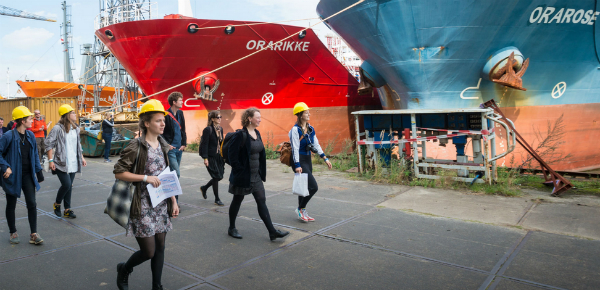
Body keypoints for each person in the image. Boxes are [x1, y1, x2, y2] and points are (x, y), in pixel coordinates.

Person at [113, 99, 180, 290]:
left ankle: (157, 286)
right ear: (146, 123)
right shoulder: (136, 146)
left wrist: (174, 201)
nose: (162, 124)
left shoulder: (162, 144)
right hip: (141, 205)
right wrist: (145, 178)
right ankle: (124, 269)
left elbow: (166, 175)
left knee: (161, 247)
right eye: (158, 120)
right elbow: (118, 172)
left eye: (163, 121)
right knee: (149, 251)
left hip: (161, 203)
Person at [227, 107, 289, 241]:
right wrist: (239, 170)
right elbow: (232, 156)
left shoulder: (257, 133)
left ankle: (272, 232)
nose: (260, 119)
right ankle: (231, 228)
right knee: (237, 200)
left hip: (256, 176)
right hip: (243, 176)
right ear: (249, 118)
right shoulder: (240, 135)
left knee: (261, 201)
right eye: (258, 117)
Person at [0, 106, 44, 245]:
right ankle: (13, 232)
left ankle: (34, 234)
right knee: (11, 204)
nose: (32, 120)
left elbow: (35, 155)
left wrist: (39, 171)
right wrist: (5, 166)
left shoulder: (30, 135)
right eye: (30, 118)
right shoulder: (8, 136)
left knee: (32, 203)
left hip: (27, 175)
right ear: (22, 121)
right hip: (12, 176)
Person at [289, 102, 332, 222]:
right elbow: (295, 149)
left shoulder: (310, 128)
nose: (309, 114)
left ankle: (302, 211)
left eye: (308, 112)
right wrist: (297, 165)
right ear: (300, 115)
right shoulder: (295, 130)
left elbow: (316, 144)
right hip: (299, 160)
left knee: (304, 187)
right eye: (306, 112)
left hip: (307, 159)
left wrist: (325, 158)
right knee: (313, 187)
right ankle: (300, 208)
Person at [46, 104, 87, 219]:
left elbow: (77, 144)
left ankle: (67, 210)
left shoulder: (76, 128)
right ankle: (57, 204)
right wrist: (50, 160)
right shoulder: (57, 128)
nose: (75, 114)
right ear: (67, 115)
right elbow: (49, 144)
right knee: (66, 184)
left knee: (70, 186)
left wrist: (82, 157)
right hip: (61, 162)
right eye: (73, 112)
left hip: (73, 161)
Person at [162, 92, 186, 203]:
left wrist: (184, 144)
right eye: (180, 100)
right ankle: (173, 202)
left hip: (179, 149)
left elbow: (183, 130)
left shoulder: (181, 113)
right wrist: (167, 145)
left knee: (173, 175)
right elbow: (161, 132)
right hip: (171, 149)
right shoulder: (166, 115)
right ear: (174, 102)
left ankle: (171, 200)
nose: (182, 102)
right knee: (176, 174)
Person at [199, 111, 225, 206]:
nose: (219, 118)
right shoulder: (208, 129)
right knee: (216, 176)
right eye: (217, 117)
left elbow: (221, 143)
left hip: (218, 156)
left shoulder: (220, 129)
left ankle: (204, 188)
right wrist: (205, 158)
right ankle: (217, 199)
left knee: (219, 176)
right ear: (212, 119)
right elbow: (205, 144)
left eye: (220, 117)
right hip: (210, 156)